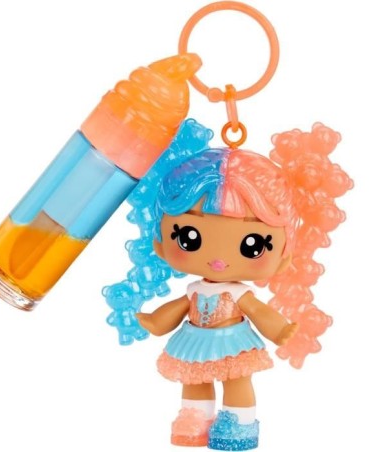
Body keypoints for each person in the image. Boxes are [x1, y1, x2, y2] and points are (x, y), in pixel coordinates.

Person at [103, 119, 352, 450]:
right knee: (194, 378)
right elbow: (176, 309)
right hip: (194, 339)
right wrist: (154, 320)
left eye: (253, 245)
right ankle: (195, 417)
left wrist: (280, 330)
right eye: (189, 237)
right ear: (160, 242)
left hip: (233, 340)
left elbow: (259, 312)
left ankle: (239, 421)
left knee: (236, 380)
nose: (219, 260)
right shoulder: (194, 292)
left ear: (284, 254)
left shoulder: (239, 294)